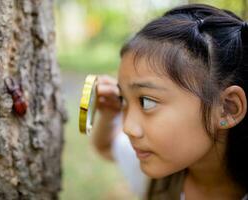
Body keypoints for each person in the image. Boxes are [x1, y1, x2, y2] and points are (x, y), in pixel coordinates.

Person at [91, 4, 248, 200]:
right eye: (123, 99)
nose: (127, 128)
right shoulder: (159, 175)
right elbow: (106, 147)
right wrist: (108, 115)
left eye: (147, 102)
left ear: (227, 108)